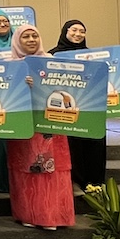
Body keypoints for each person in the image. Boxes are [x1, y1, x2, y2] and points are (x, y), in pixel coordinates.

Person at [7, 24, 75, 230]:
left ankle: (54, 216)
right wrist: (20, 84)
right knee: (27, 168)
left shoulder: (52, 62)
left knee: (55, 169)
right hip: (25, 125)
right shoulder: (10, 66)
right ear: (17, 41)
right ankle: (29, 214)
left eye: (34, 36)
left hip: (51, 124)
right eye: (25, 37)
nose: (31, 40)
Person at [50, 19, 104, 187]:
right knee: (73, 146)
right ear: (65, 32)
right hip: (66, 112)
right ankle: (75, 183)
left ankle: (95, 185)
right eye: (74, 30)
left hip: (90, 109)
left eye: (82, 31)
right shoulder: (52, 55)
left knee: (94, 144)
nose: (78, 34)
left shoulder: (94, 56)